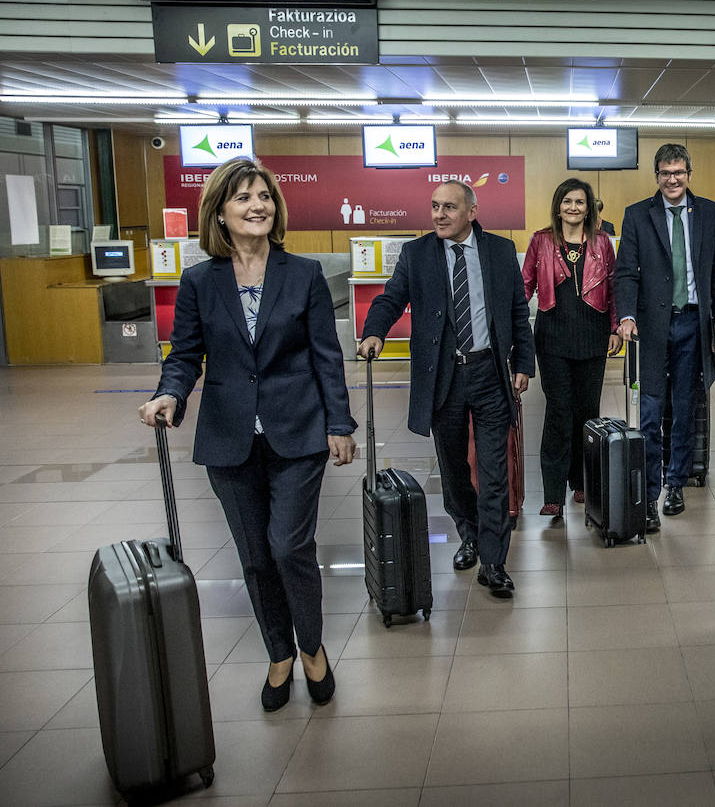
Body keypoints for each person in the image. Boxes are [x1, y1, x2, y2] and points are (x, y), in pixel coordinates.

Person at [138, 157, 357, 712]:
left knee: (289, 546)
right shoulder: (199, 281)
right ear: (220, 211)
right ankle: (278, 652)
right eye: (243, 197)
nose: (258, 205)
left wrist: (339, 423)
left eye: (264, 196)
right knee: (256, 556)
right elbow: (185, 354)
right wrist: (171, 392)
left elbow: (326, 358)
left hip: (298, 432)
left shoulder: (303, 274)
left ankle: (311, 647)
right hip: (229, 438)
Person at [359, 181, 534, 598]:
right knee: (454, 471)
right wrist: (374, 332)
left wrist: (524, 363)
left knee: (493, 474)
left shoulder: (499, 251)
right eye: (434, 206)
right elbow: (391, 298)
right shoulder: (417, 254)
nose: (438, 214)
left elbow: (516, 310)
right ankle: (468, 533)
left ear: (472, 212)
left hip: (490, 373)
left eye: (449, 207)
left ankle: (493, 561)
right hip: (444, 377)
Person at [613, 143, 715, 529]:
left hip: (694, 324)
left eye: (678, 172)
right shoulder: (637, 215)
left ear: (689, 174)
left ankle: (676, 483)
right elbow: (626, 271)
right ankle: (648, 494)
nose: (672, 179)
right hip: (653, 326)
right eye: (665, 173)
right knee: (649, 413)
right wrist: (626, 315)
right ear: (657, 176)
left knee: (684, 411)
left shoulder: (710, 214)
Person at [522, 178, 622, 520]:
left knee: (587, 412)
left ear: (589, 207)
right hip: (551, 338)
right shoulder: (541, 241)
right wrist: (512, 329)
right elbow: (525, 286)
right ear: (558, 205)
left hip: (593, 337)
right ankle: (552, 493)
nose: (574, 208)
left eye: (580, 202)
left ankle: (581, 482)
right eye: (567, 201)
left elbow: (611, 288)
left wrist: (614, 328)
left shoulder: (602, 242)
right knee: (558, 411)